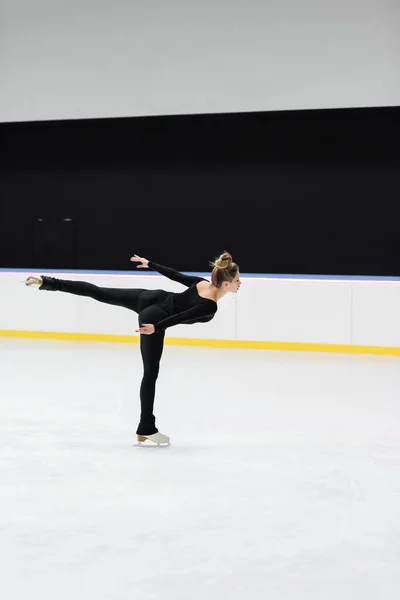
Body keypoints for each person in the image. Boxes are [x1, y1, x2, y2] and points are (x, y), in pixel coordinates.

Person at [25, 251, 241, 446]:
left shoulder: (202, 283)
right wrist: (155, 327)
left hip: (152, 297)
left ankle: (46, 282)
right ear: (225, 284)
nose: (239, 283)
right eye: (237, 280)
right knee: (150, 373)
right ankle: (146, 428)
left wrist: (151, 263)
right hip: (155, 317)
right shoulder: (210, 304)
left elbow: (175, 275)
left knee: (100, 292)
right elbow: (181, 317)